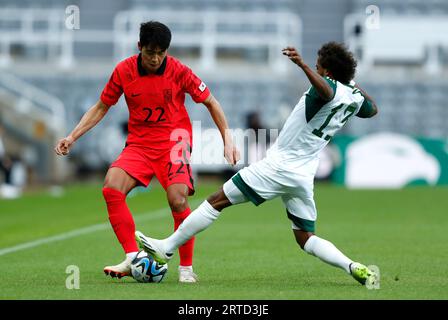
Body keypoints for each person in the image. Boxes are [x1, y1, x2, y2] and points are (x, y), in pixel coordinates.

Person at [135, 42, 379, 286]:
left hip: (280, 166)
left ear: (328, 73)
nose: (315, 67)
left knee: (217, 200)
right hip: (304, 174)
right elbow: (372, 110)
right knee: (306, 238)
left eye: (319, 66)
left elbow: (327, 92)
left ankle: (166, 247)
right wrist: (351, 82)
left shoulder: (327, 89)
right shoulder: (353, 96)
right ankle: (352, 266)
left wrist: (302, 65)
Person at [55, 21, 240, 283]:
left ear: (167, 51)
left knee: (177, 200)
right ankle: (132, 257)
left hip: (175, 141)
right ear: (139, 46)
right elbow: (101, 106)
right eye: (150, 52)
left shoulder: (179, 71)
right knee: (111, 188)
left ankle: (186, 268)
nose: (155, 58)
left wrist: (228, 140)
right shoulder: (123, 71)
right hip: (140, 144)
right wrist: (72, 136)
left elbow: (211, 102)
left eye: (160, 53)